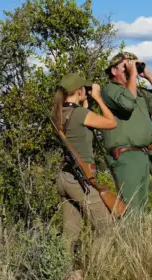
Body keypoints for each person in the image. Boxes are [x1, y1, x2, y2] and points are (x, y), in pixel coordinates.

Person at [51, 71, 118, 254]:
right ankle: (96, 270)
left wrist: (85, 105)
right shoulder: (80, 114)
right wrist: (98, 98)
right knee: (107, 228)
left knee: (70, 234)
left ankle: (63, 273)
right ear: (79, 90)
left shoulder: (58, 114)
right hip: (81, 180)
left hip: (65, 177)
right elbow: (111, 123)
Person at [99, 51, 152, 215]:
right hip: (125, 155)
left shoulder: (139, 93)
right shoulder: (110, 90)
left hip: (142, 155)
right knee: (130, 206)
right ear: (113, 71)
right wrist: (133, 76)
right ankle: (125, 239)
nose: (130, 69)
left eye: (133, 64)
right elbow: (126, 103)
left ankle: (134, 239)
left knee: (140, 206)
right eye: (125, 65)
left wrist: (146, 74)